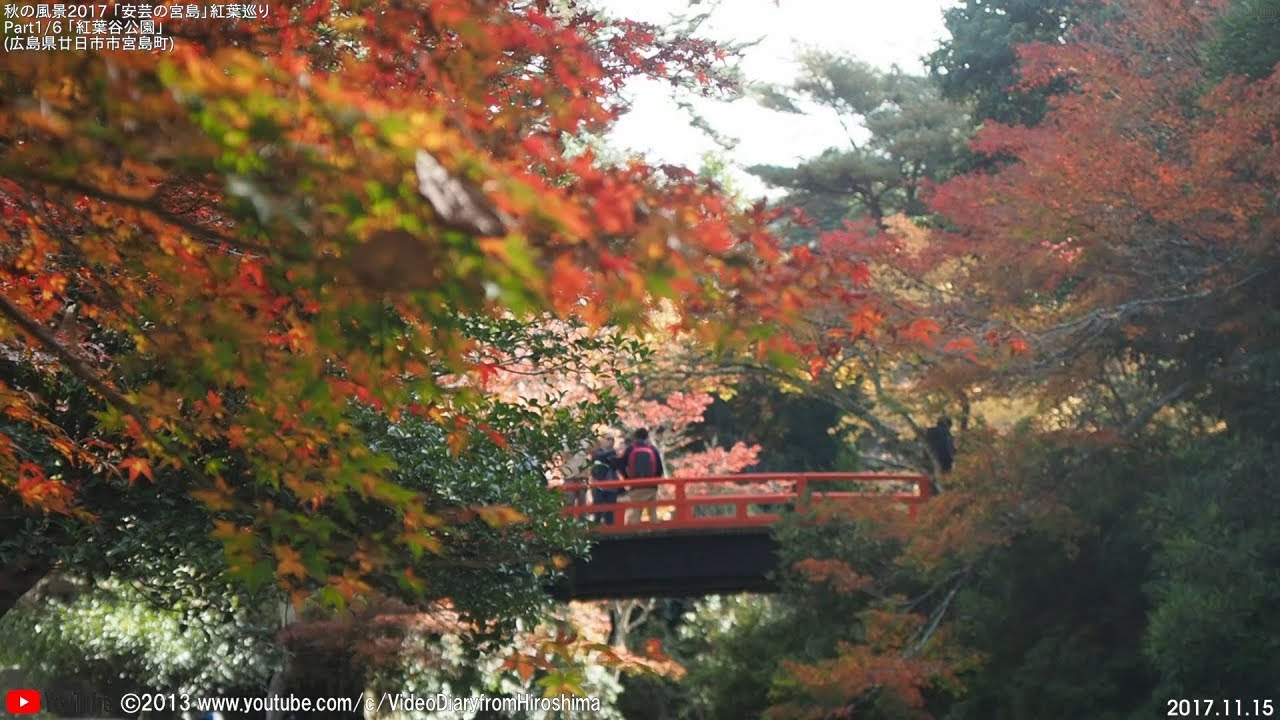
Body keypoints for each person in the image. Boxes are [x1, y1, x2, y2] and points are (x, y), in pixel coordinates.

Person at [616, 428, 664, 525]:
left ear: (635, 437)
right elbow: (659, 468)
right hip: (651, 486)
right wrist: (655, 481)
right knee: (653, 513)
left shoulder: (630, 449)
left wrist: (627, 478)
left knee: (636, 513)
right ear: (647, 436)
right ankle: (656, 535)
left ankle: (635, 536)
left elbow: (621, 465)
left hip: (635, 485)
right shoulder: (652, 449)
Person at [589, 430, 623, 525]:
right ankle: (596, 531)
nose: (611, 441)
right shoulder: (597, 452)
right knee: (598, 511)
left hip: (612, 487)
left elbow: (618, 466)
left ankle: (610, 532)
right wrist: (613, 452)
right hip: (599, 486)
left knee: (610, 512)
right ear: (602, 440)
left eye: (612, 439)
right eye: (608, 439)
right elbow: (598, 457)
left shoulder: (613, 454)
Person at [924, 417, 956, 491]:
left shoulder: (929, 433)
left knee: (933, 484)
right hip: (945, 461)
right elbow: (950, 449)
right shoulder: (946, 434)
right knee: (945, 483)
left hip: (929, 461)